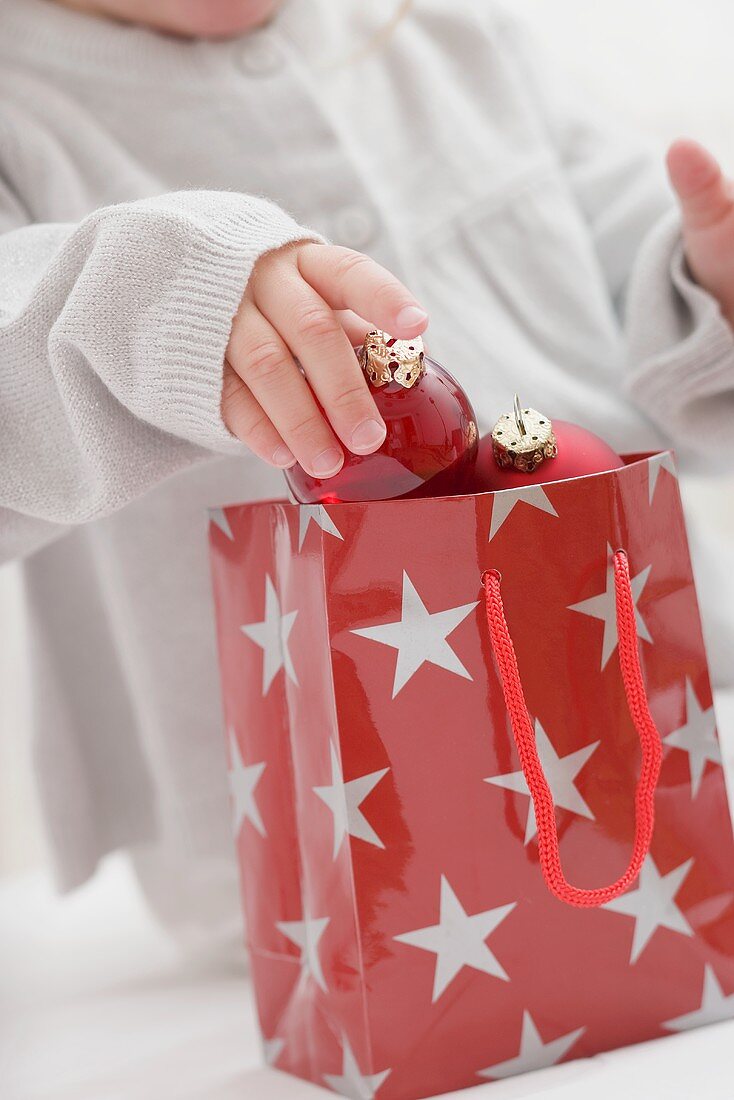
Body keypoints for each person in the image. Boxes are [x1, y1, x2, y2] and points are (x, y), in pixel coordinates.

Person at [1, 0, 733, 953]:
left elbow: (659, 295)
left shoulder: (453, 34)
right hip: (325, 886)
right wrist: (156, 297)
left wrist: (710, 290)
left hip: (670, 755)